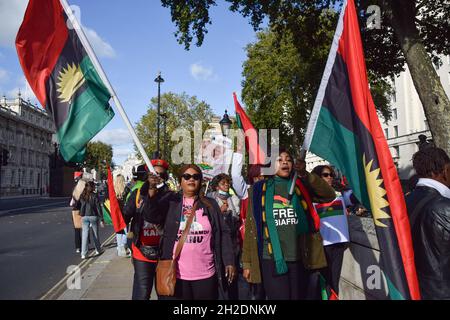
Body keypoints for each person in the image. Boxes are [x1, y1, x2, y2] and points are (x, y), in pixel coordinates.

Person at [241, 149, 336, 300]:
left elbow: (329, 195)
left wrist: (305, 174)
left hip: (301, 258)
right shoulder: (258, 190)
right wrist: (247, 262)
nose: (285, 162)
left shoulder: (300, 185)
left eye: (288, 159)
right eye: (279, 160)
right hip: (271, 258)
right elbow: (251, 229)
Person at [143, 164, 236, 300]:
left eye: (195, 177)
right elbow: (150, 215)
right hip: (176, 275)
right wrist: (151, 189)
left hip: (206, 275)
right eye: (186, 176)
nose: (191, 179)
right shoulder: (171, 201)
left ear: (200, 181)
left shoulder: (210, 204)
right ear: (180, 181)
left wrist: (229, 261)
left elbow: (224, 233)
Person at [405, 147, 450, 299]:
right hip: (443, 292)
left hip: (413, 288)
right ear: (445, 170)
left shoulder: (405, 202)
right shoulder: (444, 206)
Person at [123, 159, 170, 300]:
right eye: (153, 174)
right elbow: (125, 217)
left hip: (163, 253)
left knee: (166, 292)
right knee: (142, 294)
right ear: (148, 176)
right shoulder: (137, 194)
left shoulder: (170, 196)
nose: (156, 177)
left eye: (160, 175)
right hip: (142, 252)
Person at [311, 165, 352, 296]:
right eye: (325, 175)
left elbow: (356, 197)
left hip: (339, 244)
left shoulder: (340, 194)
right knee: (323, 282)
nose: (329, 177)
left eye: (331, 175)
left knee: (334, 281)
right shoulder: (310, 197)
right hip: (321, 246)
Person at [208, 173, 241, 299]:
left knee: (232, 274)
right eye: (223, 183)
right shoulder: (210, 200)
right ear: (216, 186)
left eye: (228, 182)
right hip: (217, 242)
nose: (226, 185)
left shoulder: (234, 199)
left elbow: (238, 219)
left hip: (233, 242)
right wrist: (219, 212)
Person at [79, 181, 104, 259]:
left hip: (84, 216)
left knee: (84, 235)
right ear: (92, 187)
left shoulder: (82, 195)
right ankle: (98, 249)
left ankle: (84, 253)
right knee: (95, 234)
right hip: (93, 215)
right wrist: (101, 218)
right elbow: (98, 207)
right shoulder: (95, 195)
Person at [113, 174, 131, 257]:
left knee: (118, 230)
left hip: (117, 212)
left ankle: (119, 247)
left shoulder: (114, 190)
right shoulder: (126, 189)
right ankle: (123, 244)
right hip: (125, 212)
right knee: (125, 229)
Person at [70, 177, 85, 253]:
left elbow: (71, 203)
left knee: (77, 230)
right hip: (83, 211)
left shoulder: (74, 191)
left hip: (75, 212)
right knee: (85, 230)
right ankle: (84, 246)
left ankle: (78, 247)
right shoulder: (84, 192)